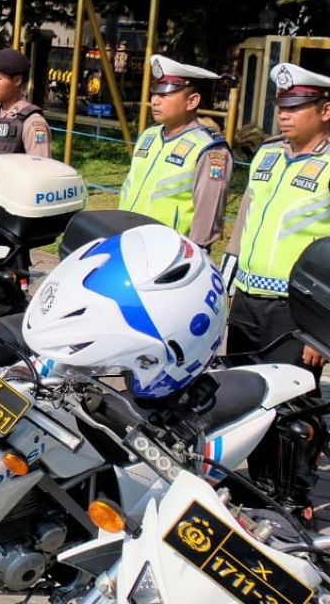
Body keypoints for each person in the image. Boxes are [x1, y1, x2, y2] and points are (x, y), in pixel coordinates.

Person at [225, 62, 330, 519]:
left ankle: (294, 499)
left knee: (293, 410)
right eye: (280, 106)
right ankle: (259, 488)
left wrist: (323, 329)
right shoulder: (268, 155)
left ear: (325, 110)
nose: (284, 115)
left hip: (296, 311)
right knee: (247, 398)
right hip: (247, 299)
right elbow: (245, 221)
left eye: (296, 107)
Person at [118, 55, 231, 249]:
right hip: (125, 240)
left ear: (192, 101)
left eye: (165, 95)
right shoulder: (149, 136)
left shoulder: (209, 149)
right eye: (155, 93)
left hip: (168, 252)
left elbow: (207, 214)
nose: (155, 101)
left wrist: (196, 254)